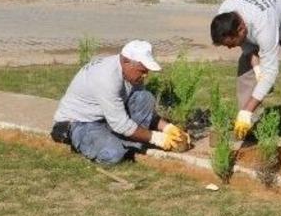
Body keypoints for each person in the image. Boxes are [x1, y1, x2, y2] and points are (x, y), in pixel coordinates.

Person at [51, 40, 189, 164]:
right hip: (80, 122)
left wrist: (168, 128)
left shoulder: (131, 74)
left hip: (105, 118)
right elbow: (121, 124)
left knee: (144, 97)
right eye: (142, 70)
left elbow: (137, 112)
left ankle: (126, 139)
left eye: (147, 71)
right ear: (126, 61)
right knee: (113, 153)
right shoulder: (106, 78)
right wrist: (157, 138)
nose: (145, 75)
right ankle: (82, 141)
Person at [210, 0, 281, 144]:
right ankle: (247, 127)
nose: (230, 48)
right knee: (246, 69)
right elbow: (248, 48)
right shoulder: (225, 12)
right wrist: (258, 70)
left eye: (230, 44)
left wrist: (248, 109)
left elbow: (271, 72)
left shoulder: (263, 24)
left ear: (241, 29)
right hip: (273, 16)